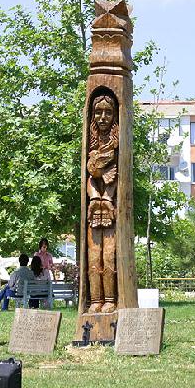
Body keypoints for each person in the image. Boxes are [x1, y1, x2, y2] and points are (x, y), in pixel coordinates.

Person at [85, 94, 118, 313]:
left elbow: (115, 176)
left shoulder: (116, 143)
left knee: (109, 256)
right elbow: (90, 174)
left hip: (112, 210)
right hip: (94, 209)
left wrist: (107, 198)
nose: (103, 117)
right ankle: (95, 299)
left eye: (108, 112)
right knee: (93, 256)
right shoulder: (93, 143)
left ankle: (111, 299)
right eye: (98, 112)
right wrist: (96, 197)